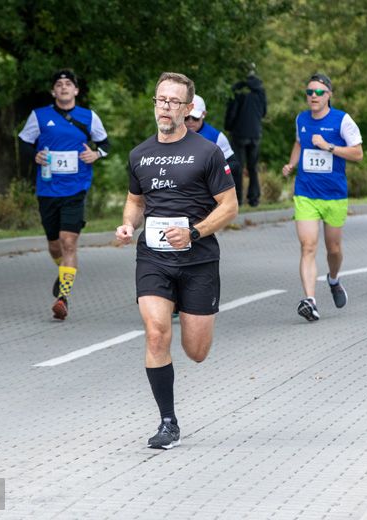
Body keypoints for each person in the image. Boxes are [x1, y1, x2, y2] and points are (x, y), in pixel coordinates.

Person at [116, 72, 238, 449]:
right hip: (153, 256)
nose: (164, 107)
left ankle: (187, 309)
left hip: (198, 259)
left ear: (187, 108)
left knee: (196, 352)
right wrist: (126, 224)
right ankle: (168, 422)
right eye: (160, 100)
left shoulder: (208, 152)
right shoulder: (139, 154)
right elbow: (136, 202)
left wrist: (195, 232)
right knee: (156, 332)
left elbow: (230, 206)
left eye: (173, 101)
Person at [18, 69, 110, 320]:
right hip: (47, 188)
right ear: (53, 91)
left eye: (69, 84)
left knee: (69, 242)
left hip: (76, 188)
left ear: (76, 90)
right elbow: (24, 142)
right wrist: (34, 155)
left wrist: (96, 154)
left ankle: (63, 297)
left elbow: (105, 144)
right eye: (59, 84)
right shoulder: (39, 116)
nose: (64, 87)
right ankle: (63, 273)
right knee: (54, 244)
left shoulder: (89, 117)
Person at [282, 73, 363, 322]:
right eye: (309, 92)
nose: (313, 96)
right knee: (308, 247)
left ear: (329, 95)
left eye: (318, 92)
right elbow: (299, 143)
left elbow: (358, 153)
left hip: (334, 195)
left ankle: (334, 279)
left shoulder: (342, 120)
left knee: (334, 249)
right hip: (305, 193)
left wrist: (329, 146)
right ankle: (310, 301)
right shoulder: (301, 119)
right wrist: (292, 163)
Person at [185, 94, 243, 205]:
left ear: (204, 114)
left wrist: (215, 174)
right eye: (187, 117)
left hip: (206, 195)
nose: (190, 121)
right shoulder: (172, 136)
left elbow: (234, 165)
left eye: (195, 117)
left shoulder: (216, 137)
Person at [225, 65, 266, 207]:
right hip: (255, 132)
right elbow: (264, 111)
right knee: (253, 167)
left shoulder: (237, 89)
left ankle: (238, 199)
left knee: (238, 166)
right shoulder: (260, 90)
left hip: (239, 132)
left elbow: (232, 112)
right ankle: (254, 199)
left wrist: (228, 126)